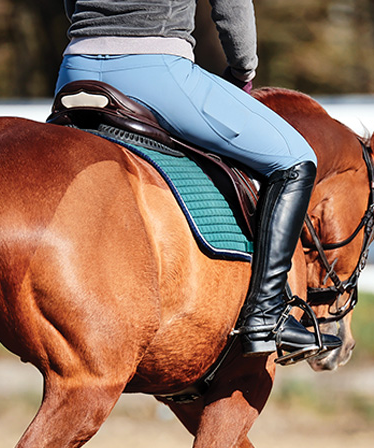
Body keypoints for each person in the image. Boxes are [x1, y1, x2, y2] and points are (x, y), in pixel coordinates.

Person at [57, 0, 341, 362]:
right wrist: (243, 70)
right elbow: (231, 6)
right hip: (155, 68)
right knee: (295, 160)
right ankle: (267, 314)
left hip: (75, 67)